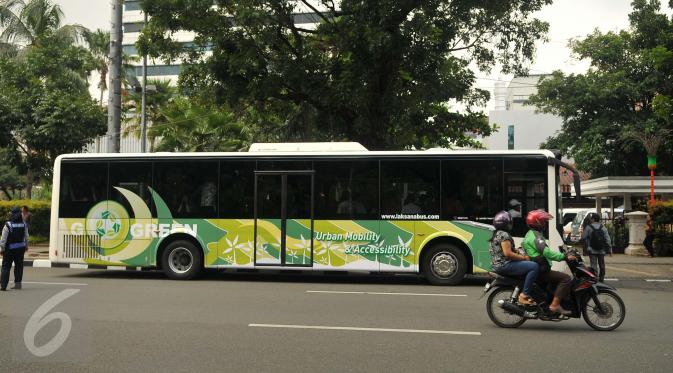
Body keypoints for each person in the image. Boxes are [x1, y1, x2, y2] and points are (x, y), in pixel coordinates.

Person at [523, 209, 576, 316]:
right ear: (537, 222)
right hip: (541, 270)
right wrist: (563, 256)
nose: (544, 224)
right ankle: (555, 304)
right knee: (566, 278)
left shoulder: (531, 234)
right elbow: (546, 252)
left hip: (540, 268)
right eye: (543, 222)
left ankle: (552, 301)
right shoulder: (536, 237)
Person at [489, 211, 539, 305]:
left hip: (498, 265)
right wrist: (524, 258)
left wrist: (517, 251)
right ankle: (525, 294)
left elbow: (505, 251)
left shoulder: (496, 234)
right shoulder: (504, 235)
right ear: (506, 223)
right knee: (534, 266)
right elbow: (508, 253)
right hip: (504, 265)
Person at [1, 207, 29, 291]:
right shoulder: (23, 224)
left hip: (9, 250)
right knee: (19, 267)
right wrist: (26, 246)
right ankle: (18, 285)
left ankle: (3, 286)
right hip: (20, 249)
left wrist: (2, 249)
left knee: (6, 267)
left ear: (12, 214)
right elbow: (26, 236)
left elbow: (3, 239)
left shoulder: (8, 225)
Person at [582, 212, 612, 282]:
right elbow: (608, 239)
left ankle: (595, 278)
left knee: (593, 264)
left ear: (593, 219)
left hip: (591, 249)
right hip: (602, 249)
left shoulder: (589, 227)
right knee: (602, 264)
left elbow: (583, 237)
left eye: (591, 219)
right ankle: (602, 278)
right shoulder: (603, 227)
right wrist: (610, 249)